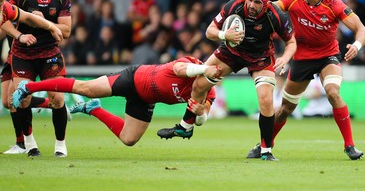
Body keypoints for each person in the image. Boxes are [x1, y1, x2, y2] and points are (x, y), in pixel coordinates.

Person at [240, 0, 365, 160]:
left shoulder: (335, 5)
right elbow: (270, 10)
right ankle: (265, 145)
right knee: (284, 110)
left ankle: (349, 146)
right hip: (301, 59)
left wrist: (356, 46)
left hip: (328, 57)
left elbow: (362, 29)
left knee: (333, 92)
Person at [158, 0, 296, 161]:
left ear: (266, 4)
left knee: (266, 99)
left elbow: (291, 42)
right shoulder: (235, 5)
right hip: (231, 52)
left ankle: (265, 150)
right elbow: (209, 31)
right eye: (250, 0)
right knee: (200, 84)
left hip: (260, 57)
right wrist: (225, 35)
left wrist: (285, 58)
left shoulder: (276, 16)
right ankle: (186, 127)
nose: (252, 5)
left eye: (257, 3)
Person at [12, 56, 220, 146]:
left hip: (145, 100)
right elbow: (178, 69)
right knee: (86, 88)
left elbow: (202, 121)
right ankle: (28, 87)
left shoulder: (207, 93)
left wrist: (200, 112)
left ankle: (93, 109)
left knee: (129, 139)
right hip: (134, 78)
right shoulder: (194, 65)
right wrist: (204, 69)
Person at [9, 0, 71, 157]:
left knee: (58, 98)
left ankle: (60, 146)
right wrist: (20, 35)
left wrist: (42, 20)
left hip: (49, 54)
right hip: (23, 54)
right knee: (22, 98)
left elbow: (67, 31)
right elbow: (5, 23)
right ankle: (30, 144)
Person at [1, 0, 59, 155]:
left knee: (15, 99)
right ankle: (50, 106)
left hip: (33, 53)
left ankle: (22, 144)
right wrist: (17, 24)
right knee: (7, 102)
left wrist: (34, 20)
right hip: (13, 52)